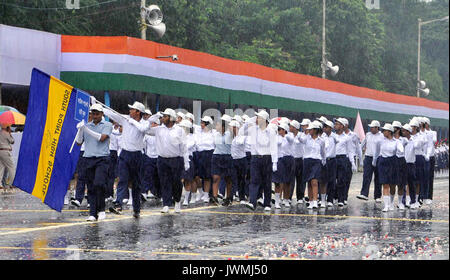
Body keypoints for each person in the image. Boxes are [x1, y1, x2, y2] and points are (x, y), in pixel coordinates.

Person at [101, 101, 148, 218]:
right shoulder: (125, 119)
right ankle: (118, 203)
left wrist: (132, 122)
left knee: (136, 184)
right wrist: (100, 107)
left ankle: (136, 209)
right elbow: (112, 114)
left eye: (132, 109)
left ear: (138, 112)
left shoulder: (144, 123)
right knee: (122, 179)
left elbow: (143, 129)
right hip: (125, 154)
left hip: (137, 156)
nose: (130, 111)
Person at [146, 108, 189, 213]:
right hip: (162, 159)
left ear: (171, 118)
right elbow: (145, 129)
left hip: (176, 159)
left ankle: (177, 202)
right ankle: (166, 204)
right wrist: (154, 117)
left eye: (165, 116)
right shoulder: (158, 129)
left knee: (176, 182)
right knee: (164, 182)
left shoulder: (179, 130)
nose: (163, 118)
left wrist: (186, 161)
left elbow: (184, 147)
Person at [75, 104, 113, 221]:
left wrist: (86, 129)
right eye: (93, 114)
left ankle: (101, 209)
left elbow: (102, 138)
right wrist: (81, 130)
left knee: (99, 183)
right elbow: (78, 142)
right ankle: (92, 213)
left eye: (97, 114)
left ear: (102, 114)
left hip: (102, 159)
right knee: (90, 186)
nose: (95, 116)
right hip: (88, 158)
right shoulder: (87, 125)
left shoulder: (107, 125)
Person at [241, 110, 278, 211]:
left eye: (259, 118)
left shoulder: (270, 131)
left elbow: (274, 147)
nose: (257, 119)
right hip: (255, 158)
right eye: (257, 118)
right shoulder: (253, 129)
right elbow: (242, 131)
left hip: (267, 158)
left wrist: (274, 162)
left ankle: (267, 204)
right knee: (254, 181)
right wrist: (250, 121)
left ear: (264, 120)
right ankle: (253, 202)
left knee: (267, 182)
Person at [373, 123, 403, 212]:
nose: (383, 132)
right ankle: (386, 205)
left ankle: (391, 202)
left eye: (385, 131)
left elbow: (401, 150)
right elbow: (377, 151)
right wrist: (374, 161)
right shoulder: (380, 141)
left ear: (389, 132)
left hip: (392, 162)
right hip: (383, 162)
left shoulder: (396, 141)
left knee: (392, 184)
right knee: (385, 184)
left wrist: (399, 151)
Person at [298, 121, 326, 210]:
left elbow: (323, 152)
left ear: (315, 130)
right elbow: (300, 139)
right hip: (307, 161)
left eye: (310, 129)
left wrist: (323, 160)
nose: (309, 131)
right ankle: (310, 201)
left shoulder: (321, 141)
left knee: (314, 181)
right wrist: (304, 133)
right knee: (309, 182)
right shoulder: (306, 138)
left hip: (317, 161)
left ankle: (315, 201)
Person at [71, 111, 93, 208]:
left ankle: (91, 200)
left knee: (91, 178)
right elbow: (78, 141)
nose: (90, 116)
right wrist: (80, 129)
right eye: (88, 114)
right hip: (83, 152)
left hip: (93, 153)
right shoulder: (82, 125)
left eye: (91, 114)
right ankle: (78, 199)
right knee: (81, 176)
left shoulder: (97, 126)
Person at [357, 120, 383, 202]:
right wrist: (358, 153)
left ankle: (377, 196)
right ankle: (364, 194)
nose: (371, 129)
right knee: (366, 176)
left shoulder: (382, 136)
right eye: (370, 127)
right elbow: (362, 145)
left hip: (378, 158)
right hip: (368, 157)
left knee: (378, 177)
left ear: (377, 128)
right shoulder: (368, 135)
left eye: (372, 127)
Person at [211, 115, 233, 206]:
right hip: (217, 156)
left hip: (227, 157)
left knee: (228, 178)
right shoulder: (215, 134)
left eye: (218, 125)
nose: (216, 126)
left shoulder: (230, 134)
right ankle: (214, 197)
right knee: (216, 177)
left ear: (223, 126)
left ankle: (228, 198)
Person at [333, 118, 355, 207]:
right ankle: (333, 197)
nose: (335, 126)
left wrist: (352, 162)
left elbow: (350, 151)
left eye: (337, 124)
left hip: (342, 159)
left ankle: (341, 199)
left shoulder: (347, 138)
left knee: (341, 180)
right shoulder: (332, 136)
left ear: (342, 126)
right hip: (333, 158)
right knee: (332, 180)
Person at [141, 111, 162, 201]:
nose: (152, 125)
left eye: (154, 123)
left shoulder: (161, 134)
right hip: (149, 157)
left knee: (159, 176)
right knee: (147, 175)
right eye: (152, 123)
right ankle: (144, 192)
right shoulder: (147, 134)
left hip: (159, 157)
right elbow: (143, 145)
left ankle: (159, 193)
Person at [195, 116, 215, 203]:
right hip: (199, 154)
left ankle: (206, 195)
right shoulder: (199, 131)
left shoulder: (213, 133)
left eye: (203, 123)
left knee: (207, 176)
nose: (201, 124)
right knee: (197, 176)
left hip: (209, 154)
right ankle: (201, 192)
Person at [229, 120, 248, 204]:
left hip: (241, 159)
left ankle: (242, 197)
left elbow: (240, 142)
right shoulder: (231, 137)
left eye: (232, 127)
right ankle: (232, 195)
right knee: (233, 178)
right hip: (233, 159)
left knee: (241, 179)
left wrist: (238, 134)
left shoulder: (241, 136)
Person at [180, 119, 197, 206]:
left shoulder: (192, 137)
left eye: (183, 127)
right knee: (180, 179)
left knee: (188, 179)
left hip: (188, 158)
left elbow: (187, 146)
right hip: (178, 158)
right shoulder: (178, 135)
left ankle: (186, 199)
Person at [321, 120, 337, 208]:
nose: (324, 128)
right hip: (324, 160)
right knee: (322, 180)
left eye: (326, 127)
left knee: (332, 180)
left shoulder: (334, 137)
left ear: (330, 128)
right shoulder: (322, 137)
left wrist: (333, 136)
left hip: (332, 160)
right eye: (324, 127)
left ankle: (330, 199)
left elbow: (338, 140)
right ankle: (322, 199)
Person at [294, 118, 310, 205]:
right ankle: (299, 196)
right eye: (302, 126)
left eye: (304, 125)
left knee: (306, 179)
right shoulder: (300, 135)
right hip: (300, 159)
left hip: (308, 159)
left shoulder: (311, 136)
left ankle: (304, 195)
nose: (303, 127)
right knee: (299, 179)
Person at [392, 121, 407, 209]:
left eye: (394, 128)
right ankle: (390, 203)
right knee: (392, 183)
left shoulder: (404, 140)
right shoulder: (389, 139)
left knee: (401, 184)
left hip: (401, 161)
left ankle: (400, 202)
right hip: (392, 160)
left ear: (398, 129)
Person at [423, 117, 437, 205]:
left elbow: (434, 140)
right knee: (421, 177)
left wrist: (427, 133)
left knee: (429, 177)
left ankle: (429, 196)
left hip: (430, 157)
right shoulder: (421, 133)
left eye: (424, 123)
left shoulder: (433, 132)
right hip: (422, 156)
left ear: (428, 124)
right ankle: (421, 195)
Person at [105, 121, 120, 202]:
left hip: (117, 153)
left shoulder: (121, 130)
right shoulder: (110, 129)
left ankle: (114, 194)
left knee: (115, 175)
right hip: (110, 152)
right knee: (109, 175)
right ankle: (109, 194)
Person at [0, 124, 15, 191]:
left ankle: (0, 185)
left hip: (0, 150)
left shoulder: (0, 133)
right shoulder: (6, 133)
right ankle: (11, 184)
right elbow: (12, 141)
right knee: (11, 168)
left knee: (1, 168)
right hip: (6, 151)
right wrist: (10, 134)